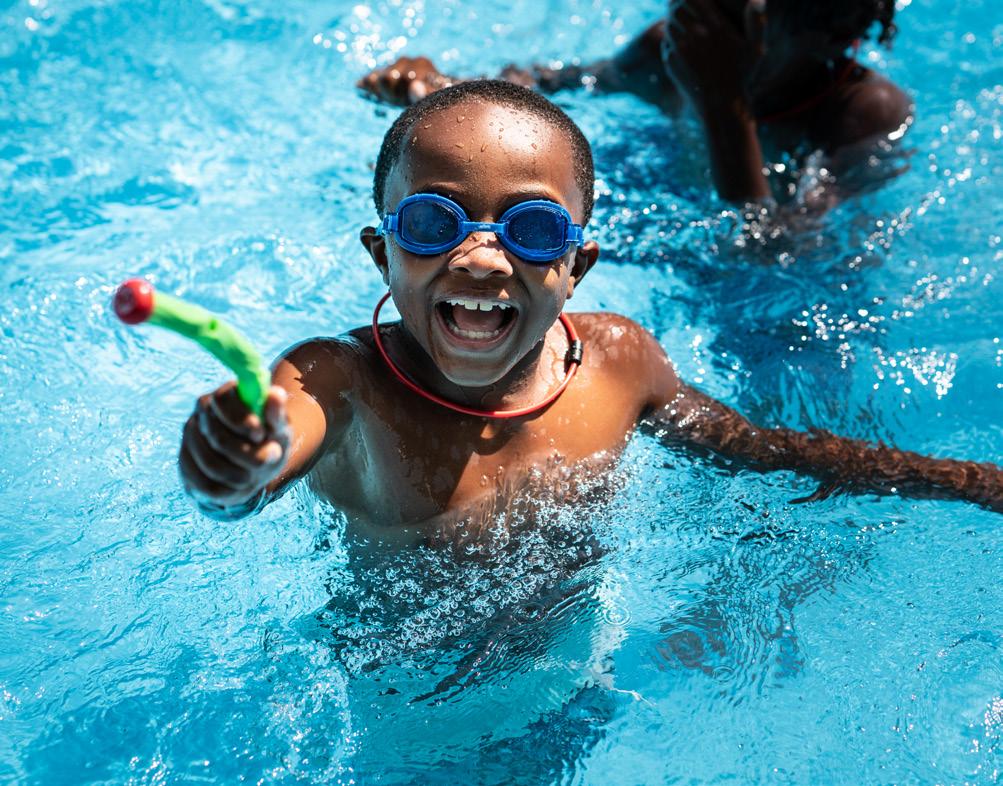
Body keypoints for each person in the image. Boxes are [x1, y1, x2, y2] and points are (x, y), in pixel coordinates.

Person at [178, 80, 999, 536]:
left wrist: (966, 482)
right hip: (403, 698)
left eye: (532, 229)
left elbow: (763, 452)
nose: (481, 257)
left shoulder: (616, 363)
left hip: (577, 671)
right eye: (432, 223)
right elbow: (272, 444)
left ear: (575, 268)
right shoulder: (341, 380)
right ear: (380, 253)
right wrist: (234, 468)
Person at [357, 0, 912, 205]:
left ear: (828, 35)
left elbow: (769, 256)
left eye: (726, 14)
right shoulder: (666, 50)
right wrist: (444, 87)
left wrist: (722, 103)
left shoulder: (863, 115)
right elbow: (556, 82)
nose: (690, 22)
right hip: (651, 184)